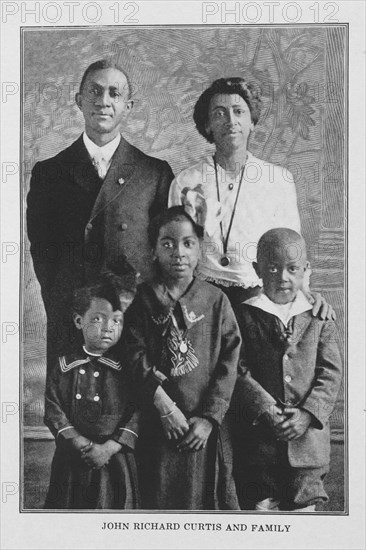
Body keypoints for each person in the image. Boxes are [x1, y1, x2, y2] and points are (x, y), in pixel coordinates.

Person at [27, 59, 174, 363]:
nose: (103, 101)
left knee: (132, 403)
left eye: (114, 93)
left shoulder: (154, 173)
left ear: (128, 106)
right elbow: (43, 250)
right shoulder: (50, 172)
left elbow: (165, 250)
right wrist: (63, 300)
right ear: (79, 101)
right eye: (94, 91)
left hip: (132, 314)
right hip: (74, 314)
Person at [168, 77, 333, 318]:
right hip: (202, 297)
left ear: (252, 121)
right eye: (220, 113)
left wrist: (305, 291)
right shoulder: (186, 181)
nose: (231, 121)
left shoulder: (278, 179)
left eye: (239, 112)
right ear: (207, 125)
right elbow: (177, 248)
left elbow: (291, 246)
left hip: (260, 297)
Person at [123, 206, 241, 510]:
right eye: (168, 244)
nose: (179, 252)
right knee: (158, 499)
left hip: (202, 427)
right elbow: (133, 356)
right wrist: (164, 407)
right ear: (153, 251)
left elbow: (230, 364)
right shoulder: (143, 300)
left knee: (204, 502)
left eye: (188, 243)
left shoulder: (216, 301)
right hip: (158, 422)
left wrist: (208, 418)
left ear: (200, 249)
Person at [232, 228, 342, 511]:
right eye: (273, 268)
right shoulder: (244, 315)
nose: (283, 277)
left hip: (308, 447)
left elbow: (329, 373)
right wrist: (266, 408)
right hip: (259, 445)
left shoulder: (320, 317)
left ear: (305, 270)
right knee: (260, 507)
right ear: (257, 269)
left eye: (292, 268)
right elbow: (237, 368)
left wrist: (307, 414)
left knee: (304, 511)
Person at [44, 274, 140, 509]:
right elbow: (53, 410)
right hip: (74, 460)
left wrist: (109, 448)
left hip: (115, 459)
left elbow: (138, 412)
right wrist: (80, 443)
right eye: (98, 319)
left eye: (117, 321)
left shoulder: (128, 371)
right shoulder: (64, 367)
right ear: (79, 321)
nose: (108, 328)